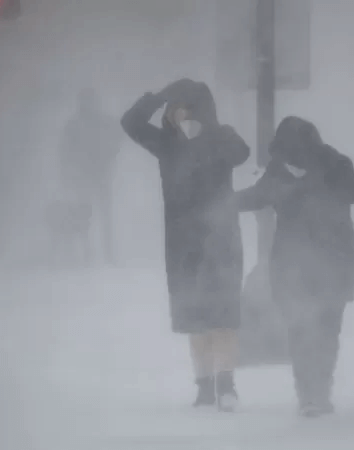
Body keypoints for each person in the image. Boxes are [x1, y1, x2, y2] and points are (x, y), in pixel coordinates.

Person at [121, 78, 250, 412]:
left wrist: (212, 132)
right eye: (172, 108)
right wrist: (158, 95)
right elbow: (130, 123)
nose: (176, 114)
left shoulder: (221, 137)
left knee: (223, 317)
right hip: (182, 244)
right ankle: (204, 387)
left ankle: (226, 386)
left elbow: (242, 152)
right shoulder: (167, 143)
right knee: (195, 318)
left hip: (222, 240)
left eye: (181, 106)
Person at [233, 116, 354, 417]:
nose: (287, 160)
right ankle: (308, 393)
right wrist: (221, 201)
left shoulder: (335, 163)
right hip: (294, 263)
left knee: (327, 327)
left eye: (290, 153)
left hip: (333, 260)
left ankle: (320, 389)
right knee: (300, 326)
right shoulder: (279, 169)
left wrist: (307, 180)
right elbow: (257, 196)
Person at [58, 88, 123, 265]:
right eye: (87, 101)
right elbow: (64, 151)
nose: (89, 104)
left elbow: (117, 139)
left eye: (90, 101)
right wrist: (67, 172)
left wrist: (110, 156)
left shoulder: (99, 122)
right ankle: (92, 253)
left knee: (99, 215)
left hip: (97, 175)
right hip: (86, 176)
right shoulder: (76, 124)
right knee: (87, 216)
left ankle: (103, 253)